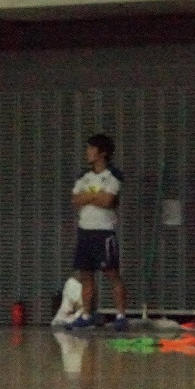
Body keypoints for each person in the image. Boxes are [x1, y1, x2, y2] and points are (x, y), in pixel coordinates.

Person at [69, 134, 128, 331]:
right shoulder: (83, 176)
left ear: (102, 153)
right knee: (85, 275)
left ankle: (121, 315)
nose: (88, 152)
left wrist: (88, 196)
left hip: (103, 232)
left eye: (91, 148)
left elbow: (108, 201)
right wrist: (95, 195)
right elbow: (75, 199)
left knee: (112, 274)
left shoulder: (113, 175)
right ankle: (86, 314)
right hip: (85, 231)